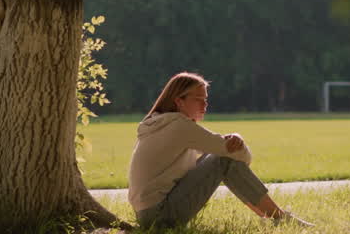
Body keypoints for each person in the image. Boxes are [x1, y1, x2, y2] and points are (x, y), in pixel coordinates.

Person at [128, 72, 312, 229]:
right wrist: (236, 139)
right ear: (179, 102)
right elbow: (236, 156)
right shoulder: (178, 125)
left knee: (218, 158)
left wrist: (231, 143)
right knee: (223, 160)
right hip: (160, 216)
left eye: (205, 100)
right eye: (198, 100)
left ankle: (274, 217)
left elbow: (214, 153)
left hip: (147, 215)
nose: (205, 105)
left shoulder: (159, 122)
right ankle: (279, 217)